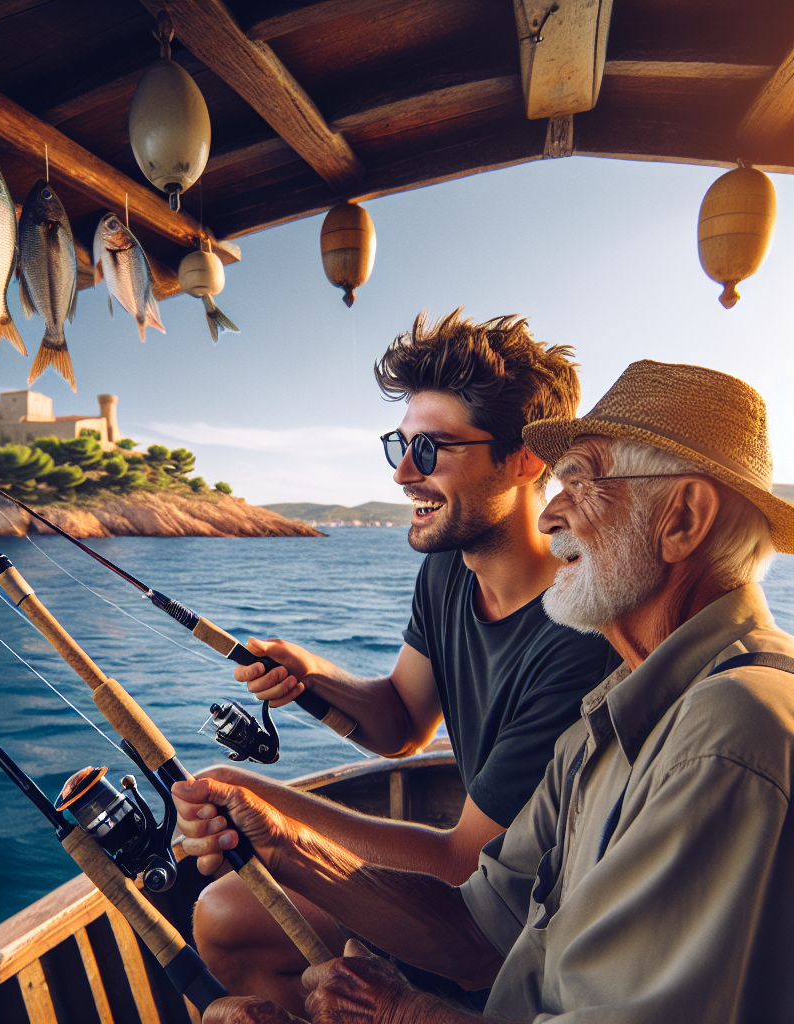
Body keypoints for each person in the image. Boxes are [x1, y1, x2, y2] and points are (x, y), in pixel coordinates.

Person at [179, 359, 794, 1024]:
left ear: (683, 518)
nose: (552, 512)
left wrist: (403, 1015)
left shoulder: (729, 734)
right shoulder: (621, 704)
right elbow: (481, 929)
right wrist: (280, 843)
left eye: (583, 481)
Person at [192, 310, 620, 1012]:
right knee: (227, 920)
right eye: (400, 444)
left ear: (526, 459)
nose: (400, 472)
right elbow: (400, 725)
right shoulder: (451, 568)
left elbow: (462, 867)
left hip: (529, 927)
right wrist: (311, 677)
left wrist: (265, 808)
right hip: (474, 884)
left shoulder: (581, 636)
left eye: (430, 450)